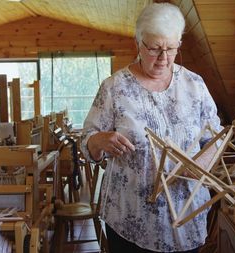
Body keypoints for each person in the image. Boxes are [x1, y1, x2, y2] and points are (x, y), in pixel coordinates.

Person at [81, 3, 223, 253]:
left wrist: (202, 163)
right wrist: (100, 140)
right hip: (129, 221)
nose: (163, 58)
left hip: (186, 217)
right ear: (138, 43)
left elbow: (217, 137)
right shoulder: (114, 88)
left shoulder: (195, 85)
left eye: (170, 48)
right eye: (155, 48)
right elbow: (86, 143)